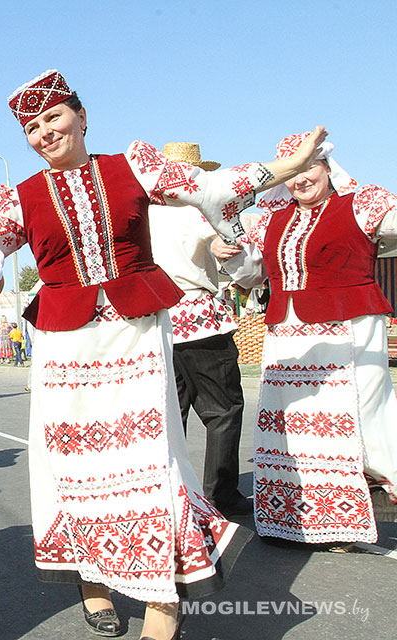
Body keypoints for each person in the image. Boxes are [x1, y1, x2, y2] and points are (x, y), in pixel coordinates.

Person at [0, 69, 327, 640]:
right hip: (65, 347)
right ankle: (93, 582)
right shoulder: (15, 197)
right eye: (32, 127)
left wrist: (286, 167)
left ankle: (163, 599)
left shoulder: (135, 165)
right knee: (73, 464)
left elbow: (210, 188)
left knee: (154, 461)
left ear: (81, 116)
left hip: (138, 332)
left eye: (53, 117)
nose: (44, 132)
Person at [213, 132, 397, 546]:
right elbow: (251, 274)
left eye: (309, 167)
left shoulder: (361, 204)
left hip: (349, 330)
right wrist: (229, 254)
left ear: (328, 168)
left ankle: (359, 503)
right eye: (294, 171)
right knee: (295, 430)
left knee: (365, 421)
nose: (301, 179)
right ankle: (297, 521)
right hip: (288, 337)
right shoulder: (271, 220)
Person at [148, 142, 252, 518]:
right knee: (223, 408)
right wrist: (224, 248)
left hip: (161, 319)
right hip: (200, 317)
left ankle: (169, 489)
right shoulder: (194, 210)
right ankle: (221, 492)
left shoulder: (145, 214)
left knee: (171, 411)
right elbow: (222, 244)